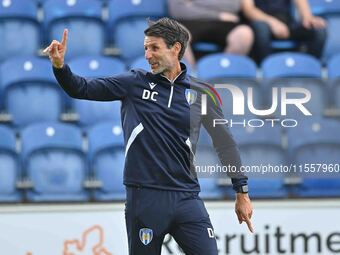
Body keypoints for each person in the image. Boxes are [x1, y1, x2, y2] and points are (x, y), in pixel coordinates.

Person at [43, 17, 253, 255]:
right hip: (144, 197)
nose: (147, 55)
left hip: (187, 196)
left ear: (175, 49)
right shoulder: (133, 83)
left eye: (154, 48)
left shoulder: (203, 94)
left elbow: (225, 144)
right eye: (145, 48)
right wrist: (60, 66)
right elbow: (80, 87)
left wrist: (241, 192)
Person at [168, 0, 254, 68]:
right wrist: (217, 15)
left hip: (226, 23)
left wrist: (194, 6)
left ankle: (221, 72)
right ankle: (191, 77)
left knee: (244, 34)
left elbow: (233, 5)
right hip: (190, 21)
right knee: (176, 34)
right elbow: (177, 9)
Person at [242, 0, 327, 62]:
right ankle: (267, 68)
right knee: (261, 29)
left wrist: (308, 18)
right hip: (262, 22)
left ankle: (307, 68)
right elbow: (248, 9)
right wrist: (273, 23)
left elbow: (300, 1)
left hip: (286, 23)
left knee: (319, 31)